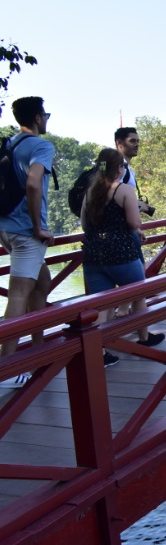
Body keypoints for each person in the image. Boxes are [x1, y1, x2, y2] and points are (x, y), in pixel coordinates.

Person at [81, 148, 165, 365]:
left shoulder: (89, 192)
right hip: (122, 254)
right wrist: (136, 228)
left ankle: (98, 352)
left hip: (94, 255)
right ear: (119, 168)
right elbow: (134, 222)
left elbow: (84, 224)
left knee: (102, 304)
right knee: (138, 295)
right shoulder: (125, 190)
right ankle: (144, 337)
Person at [0, 98, 55, 387]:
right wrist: (38, 227)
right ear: (37, 117)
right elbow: (34, 183)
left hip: (6, 228)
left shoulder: (9, 143)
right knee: (19, 293)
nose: (47, 119)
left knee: (42, 282)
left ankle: (38, 349)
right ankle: (6, 370)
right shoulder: (41, 146)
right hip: (26, 231)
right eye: (45, 114)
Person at [114, 127, 153, 214]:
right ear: (119, 143)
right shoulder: (117, 169)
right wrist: (137, 205)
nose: (136, 144)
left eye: (137, 141)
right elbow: (112, 200)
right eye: (132, 141)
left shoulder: (127, 170)